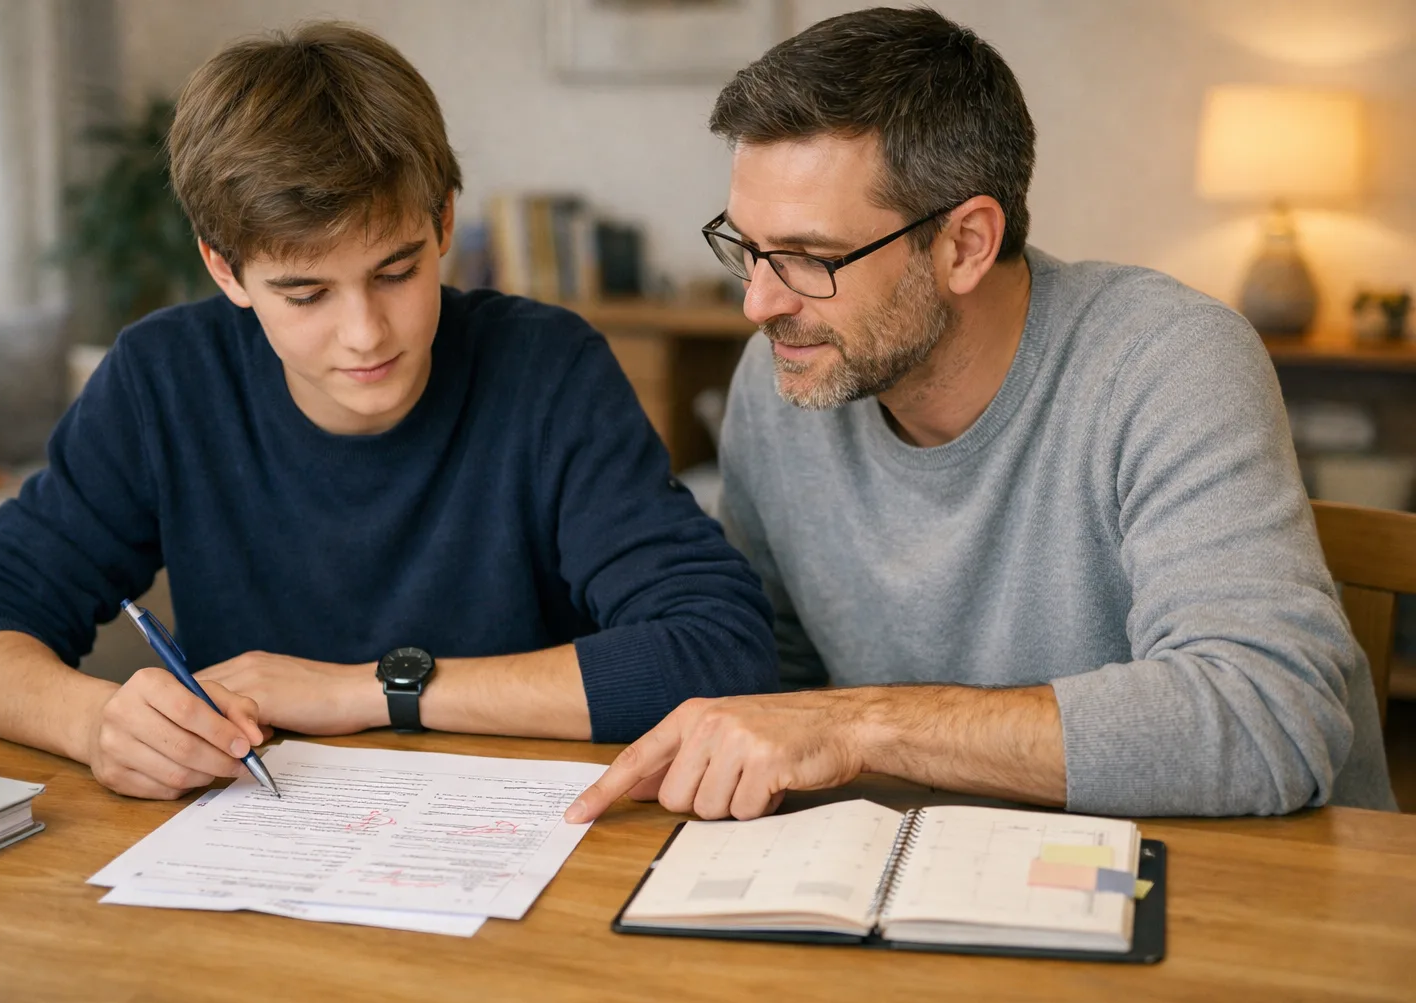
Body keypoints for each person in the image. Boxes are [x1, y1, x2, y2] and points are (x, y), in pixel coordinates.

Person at [566, 6, 1396, 826]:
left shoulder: (1167, 360)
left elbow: (1270, 718)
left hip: (1243, 878)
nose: (758, 304)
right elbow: (772, 682)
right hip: (936, 861)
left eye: (810, 259)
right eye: (746, 248)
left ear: (965, 244)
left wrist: (861, 725)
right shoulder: (783, 375)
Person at [0, 22, 777, 801]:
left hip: (523, 840)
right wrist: (97, 724)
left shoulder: (547, 369)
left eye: (396, 272)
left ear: (443, 223)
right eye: (306, 293)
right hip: (257, 844)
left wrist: (367, 690)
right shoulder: (163, 378)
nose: (365, 334)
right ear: (225, 270)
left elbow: (718, 649)